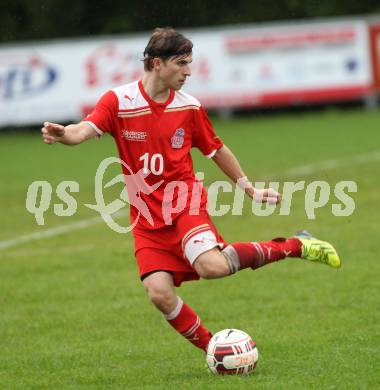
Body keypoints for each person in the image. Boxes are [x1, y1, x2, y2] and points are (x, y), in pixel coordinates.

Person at [41, 27, 341, 353]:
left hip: (184, 200)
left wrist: (249, 188)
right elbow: (84, 129)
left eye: (190, 63)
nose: (188, 71)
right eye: (181, 63)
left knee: (211, 267)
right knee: (159, 292)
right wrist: (64, 134)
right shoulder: (119, 101)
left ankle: (296, 245)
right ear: (157, 63)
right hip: (145, 215)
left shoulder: (189, 107)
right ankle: (216, 350)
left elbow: (216, 149)